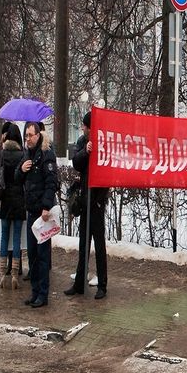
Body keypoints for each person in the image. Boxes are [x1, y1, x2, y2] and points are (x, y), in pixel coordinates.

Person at [64, 111, 108, 300]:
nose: (82, 128)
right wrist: (86, 151)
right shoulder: (83, 142)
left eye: (84, 125)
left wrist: (100, 200)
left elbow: (107, 171)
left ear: (91, 127)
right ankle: (79, 283)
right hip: (85, 200)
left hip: (96, 203)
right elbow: (77, 164)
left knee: (99, 246)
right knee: (83, 244)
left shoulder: (104, 143)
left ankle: (102, 285)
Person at [17, 121, 58, 308]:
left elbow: (52, 183)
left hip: (42, 214)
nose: (28, 139)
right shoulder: (26, 154)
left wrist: (46, 207)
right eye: (26, 136)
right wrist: (21, 170)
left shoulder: (46, 154)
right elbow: (17, 179)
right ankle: (34, 291)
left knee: (42, 256)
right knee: (32, 254)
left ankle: (43, 293)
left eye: (30, 135)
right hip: (30, 211)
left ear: (38, 135)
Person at [0, 123, 26, 289]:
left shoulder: (2, 153)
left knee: (4, 236)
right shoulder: (23, 154)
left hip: (6, 200)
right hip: (19, 200)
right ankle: (14, 274)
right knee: (16, 239)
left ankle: (2, 274)